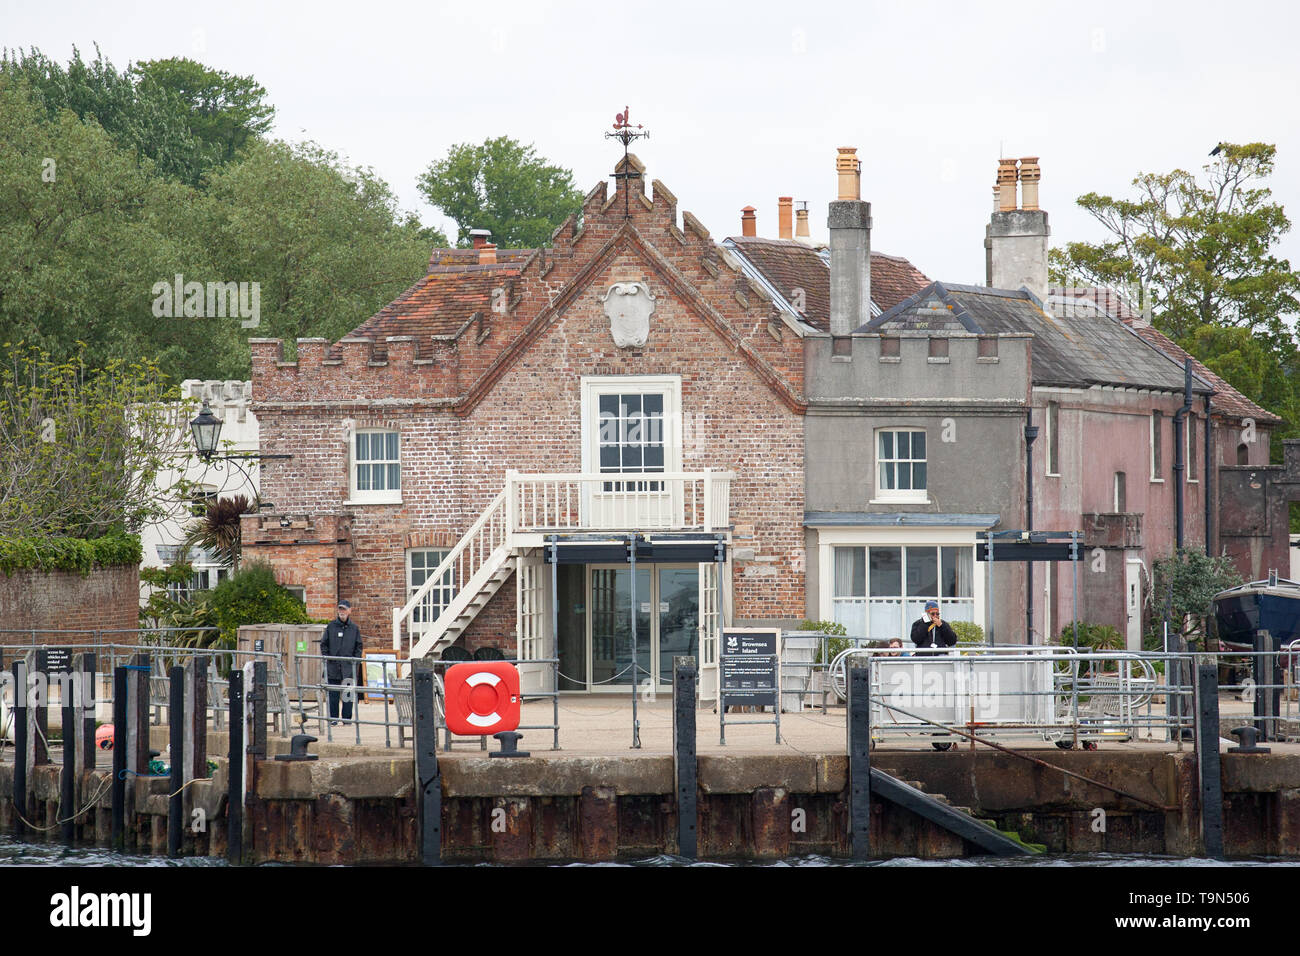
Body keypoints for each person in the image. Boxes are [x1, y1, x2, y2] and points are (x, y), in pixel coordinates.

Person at [322, 599, 363, 724]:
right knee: (333, 695)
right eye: (340, 609)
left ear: (349, 611)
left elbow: (358, 647)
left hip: (348, 667)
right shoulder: (331, 626)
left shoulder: (354, 629)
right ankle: (333, 719)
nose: (342, 611)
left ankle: (346, 719)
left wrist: (354, 662)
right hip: (333, 667)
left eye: (344, 609)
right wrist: (327, 658)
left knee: (348, 695)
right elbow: (324, 645)